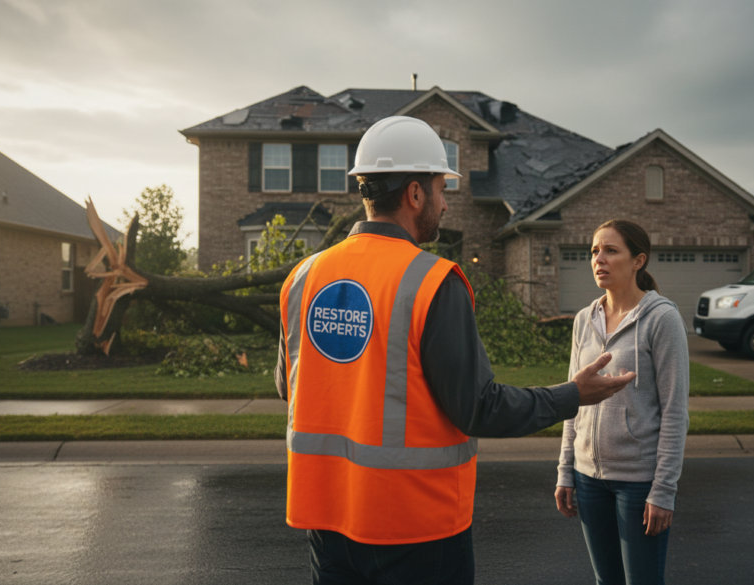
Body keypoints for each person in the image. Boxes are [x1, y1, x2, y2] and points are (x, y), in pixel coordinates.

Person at [275, 116, 636, 585]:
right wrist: (573, 394)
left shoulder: (302, 277)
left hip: (325, 520)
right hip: (415, 526)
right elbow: (479, 408)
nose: (446, 205)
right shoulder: (431, 281)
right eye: (442, 189)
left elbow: (290, 386)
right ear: (415, 194)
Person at [554, 219, 690, 585]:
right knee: (605, 580)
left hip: (638, 482)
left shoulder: (662, 319)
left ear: (637, 261)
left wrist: (663, 491)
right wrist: (566, 471)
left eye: (611, 250)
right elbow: (573, 400)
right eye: (594, 251)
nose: (599, 259)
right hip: (587, 478)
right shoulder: (585, 319)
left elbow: (675, 413)